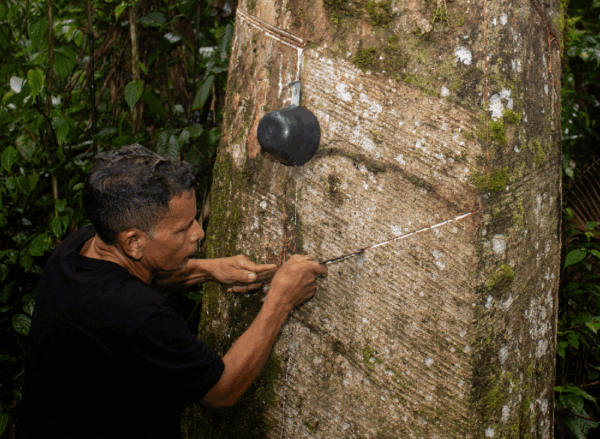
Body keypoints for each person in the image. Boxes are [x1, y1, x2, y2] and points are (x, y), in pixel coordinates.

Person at [22, 144, 326, 438]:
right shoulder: (139, 314)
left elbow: (138, 276)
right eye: (182, 229)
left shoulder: (79, 248)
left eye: (194, 219)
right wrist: (281, 299)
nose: (199, 233)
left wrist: (208, 269)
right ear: (133, 242)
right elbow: (222, 391)